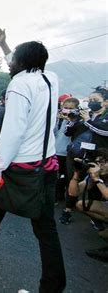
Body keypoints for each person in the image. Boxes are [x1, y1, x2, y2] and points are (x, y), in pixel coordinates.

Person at [0, 26, 66, 292]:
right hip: (48, 163)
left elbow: (13, 131)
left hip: (22, 165)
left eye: (13, 61)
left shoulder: (18, 84)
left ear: (21, 64)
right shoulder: (51, 79)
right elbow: (24, 66)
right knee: (41, 226)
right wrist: (5, 45)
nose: (9, 65)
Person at [59, 88, 108, 225]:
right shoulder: (85, 114)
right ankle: (68, 210)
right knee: (72, 180)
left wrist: (87, 121)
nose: (91, 103)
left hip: (98, 157)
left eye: (95, 100)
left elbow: (103, 131)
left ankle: (96, 217)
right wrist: (73, 121)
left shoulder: (104, 118)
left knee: (95, 184)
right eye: (89, 100)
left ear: (106, 102)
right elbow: (68, 133)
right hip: (76, 154)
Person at [67, 148, 108, 261]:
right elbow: (73, 192)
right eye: (98, 163)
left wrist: (97, 179)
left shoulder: (98, 176)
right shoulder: (98, 174)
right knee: (81, 204)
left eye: (103, 163)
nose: (100, 166)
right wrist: (76, 173)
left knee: (105, 235)